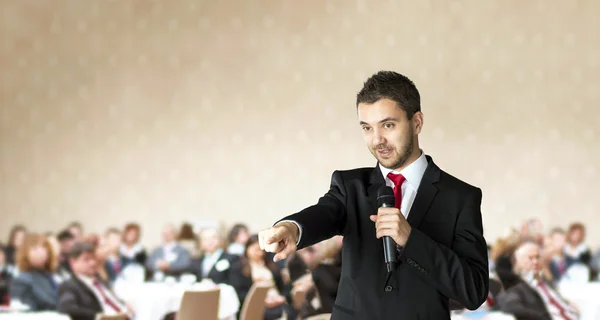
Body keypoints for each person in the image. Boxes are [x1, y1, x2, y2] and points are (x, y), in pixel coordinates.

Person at [258, 71, 489, 319]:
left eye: (388, 125)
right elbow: (324, 213)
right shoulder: (349, 186)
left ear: (417, 122)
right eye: (367, 128)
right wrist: (292, 228)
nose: (377, 139)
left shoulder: (460, 197)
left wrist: (412, 240)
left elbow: (473, 291)